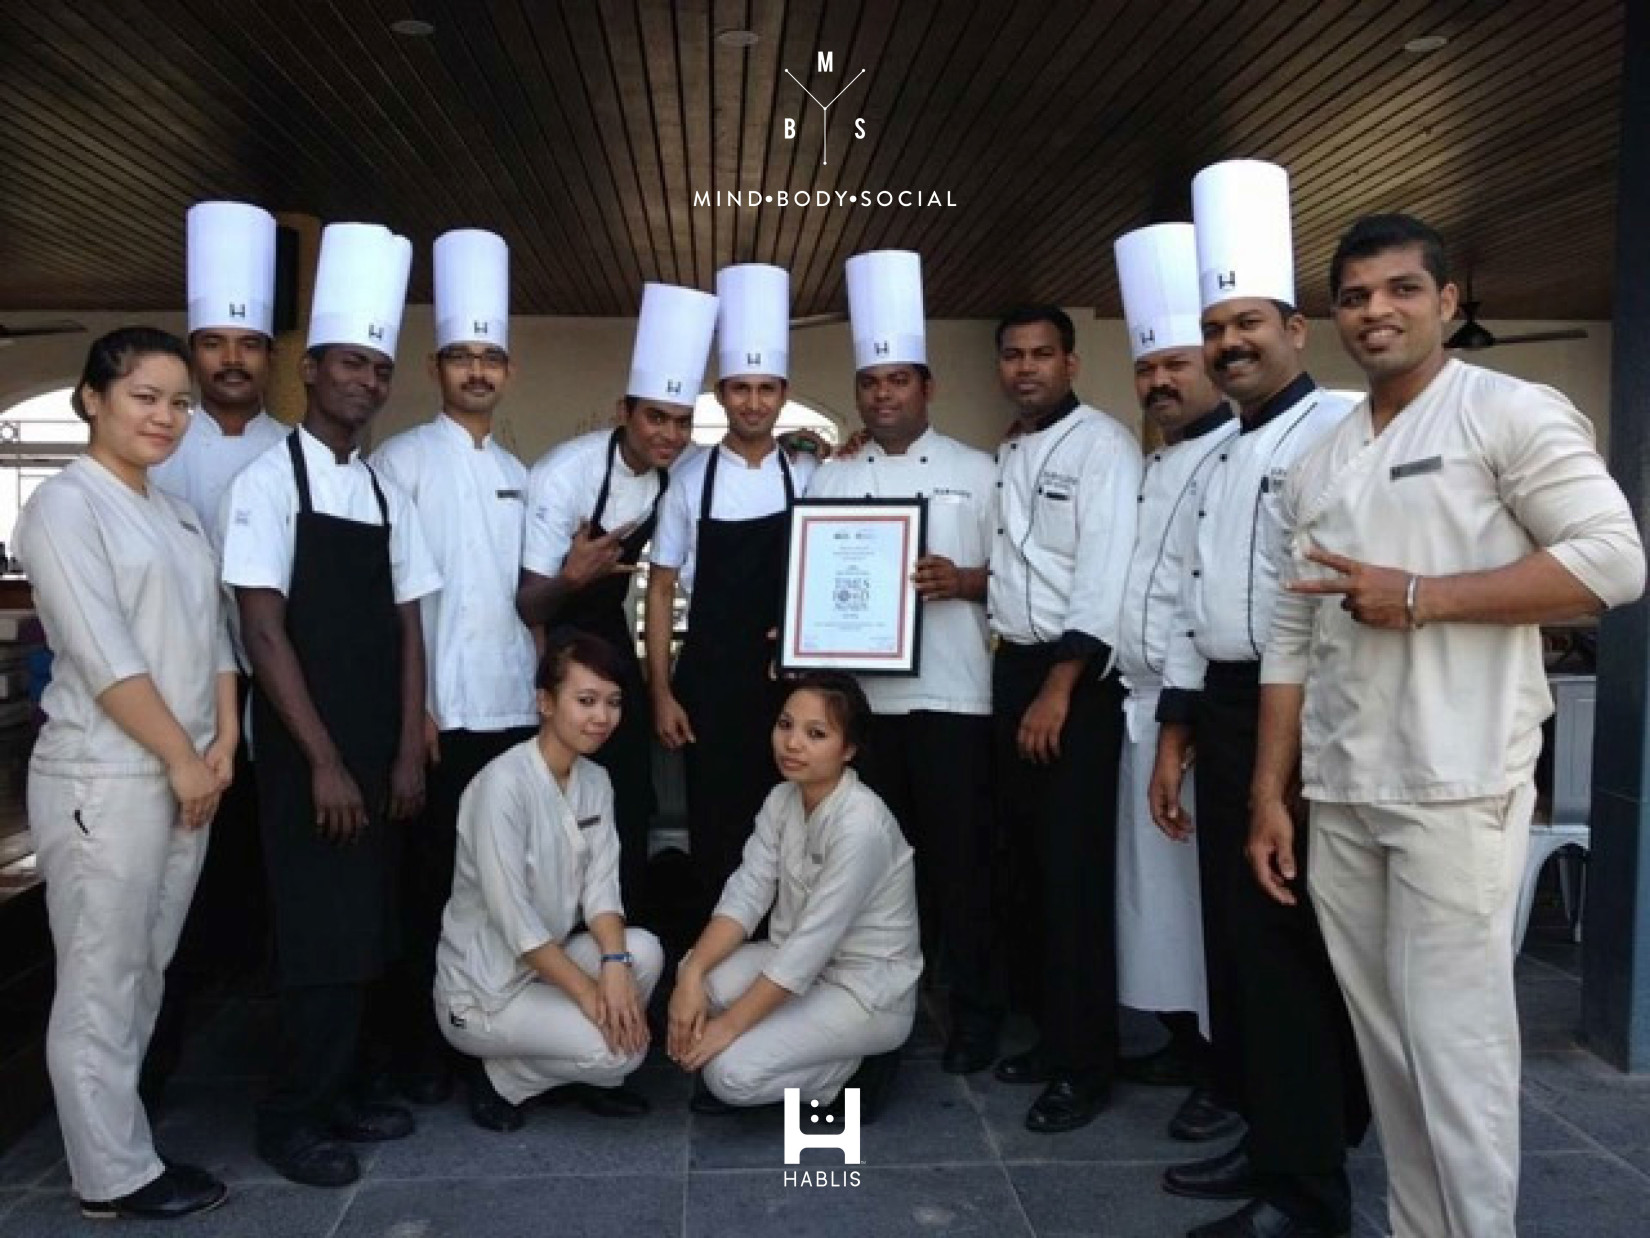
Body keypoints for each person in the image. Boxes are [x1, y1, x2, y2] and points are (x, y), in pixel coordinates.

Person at [1251, 213, 1644, 1238]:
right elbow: (1292, 635)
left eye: (1400, 290)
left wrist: (1424, 593)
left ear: (1447, 302)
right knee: (1388, 1055)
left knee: (1457, 1053)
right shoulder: (1323, 456)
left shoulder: (1507, 412)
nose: (1376, 310)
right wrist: (1269, 793)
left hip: (1458, 783)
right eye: (1354, 295)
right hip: (1341, 790)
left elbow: (1613, 561)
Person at [1150, 160, 1367, 1238]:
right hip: (1229, 707)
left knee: (1286, 947)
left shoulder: (1336, 427)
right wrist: (1180, 728)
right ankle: (1280, 1133)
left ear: (1296, 326)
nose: (1230, 343)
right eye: (1216, 327)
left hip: (1306, 710)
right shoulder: (1227, 450)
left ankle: (1308, 1187)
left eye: (1249, 324)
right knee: (1246, 942)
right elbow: (1200, 601)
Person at [221, 223, 441, 1189]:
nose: (365, 380)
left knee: (368, 930)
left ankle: (343, 1090)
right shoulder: (268, 481)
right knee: (314, 938)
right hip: (310, 752)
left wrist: (402, 750)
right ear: (308, 371)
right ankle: (291, 1116)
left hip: (375, 751)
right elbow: (263, 631)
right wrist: (319, 759)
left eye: (379, 367)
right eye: (349, 361)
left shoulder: (385, 492)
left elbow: (406, 630)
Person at [18, 327, 236, 1219]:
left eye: (179, 401)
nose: (166, 416)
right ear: (91, 399)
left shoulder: (174, 512)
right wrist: (185, 757)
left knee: (148, 967)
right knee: (102, 975)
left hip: (188, 773)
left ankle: (122, 1144)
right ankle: (112, 1175)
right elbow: (102, 653)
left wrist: (220, 746)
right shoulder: (66, 507)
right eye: (144, 396)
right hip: (104, 778)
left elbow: (216, 637)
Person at [808, 249, 1000, 1074]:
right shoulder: (830, 475)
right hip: (861, 713)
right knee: (869, 877)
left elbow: (1018, 580)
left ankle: (978, 1014)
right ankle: (872, 1018)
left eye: (898, 381)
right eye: (870, 383)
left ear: (927, 387)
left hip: (954, 699)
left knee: (961, 868)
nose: (883, 395)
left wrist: (964, 580)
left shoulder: (979, 472)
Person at [370, 229, 538, 1103]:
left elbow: (529, 600)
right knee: (430, 888)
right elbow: (397, 603)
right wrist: (416, 715)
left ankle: (493, 1046)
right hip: (436, 719)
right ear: (436, 367)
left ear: (508, 372)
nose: (478, 371)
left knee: (500, 889)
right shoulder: (397, 463)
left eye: (492, 358)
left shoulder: (517, 471)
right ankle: (420, 1051)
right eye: (462, 356)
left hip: (510, 714)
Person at [144, 200, 287, 1101]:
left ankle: (260, 1068)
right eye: (213, 342)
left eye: (248, 343)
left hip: (274, 712)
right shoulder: (153, 451)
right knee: (165, 909)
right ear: (190, 352)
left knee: (262, 889)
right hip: (169, 708)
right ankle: (150, 1072)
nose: (231, 359)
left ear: (272, 356)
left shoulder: (297, 454)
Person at [987, 305, 1141, 1134]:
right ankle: (1054, 1039)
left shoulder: (1104, 448)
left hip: (1069, 679)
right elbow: (1020, 568)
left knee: (1074, 878)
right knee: (1029, 871)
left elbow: (1101, 575)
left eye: (1042, 354)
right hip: (1014, 666)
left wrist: (1059, 686)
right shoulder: (1012, 449)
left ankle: (1087, 1065)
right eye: (1013, 354)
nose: (1026, 367)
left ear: (1071, 363)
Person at [519, 283, 709, 917]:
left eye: (683, 422)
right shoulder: (564, 474)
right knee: (561, 806)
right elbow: (528, 606)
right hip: (557, 652)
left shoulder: (675, 472)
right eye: (657, 417)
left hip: (613, 652)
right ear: (625, 409)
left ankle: (625, 927)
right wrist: (575, 576)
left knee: (628, 796)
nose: (671, 435)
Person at [435, 629, 663, 1131]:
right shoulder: (502, 785)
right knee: (621, 1054)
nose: (601, 717)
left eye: (613, 702)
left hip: (546, 968)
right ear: (544, 702)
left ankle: (554, 1069)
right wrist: (592, 996)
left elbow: (603, 890)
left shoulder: (595, 780)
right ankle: (499, 1077)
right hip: (485, 989)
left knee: (643, 951)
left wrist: (615, 965)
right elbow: (513, 919)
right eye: (585, 701)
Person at [1110, 224, 1236, 1129]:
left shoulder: (1236, 457)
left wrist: (1179, 729)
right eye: (1149, 366)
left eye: (1178, 364)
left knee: (1208, 907)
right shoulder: (1149, 464)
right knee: (1156, 900)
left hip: (1197, 714)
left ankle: (1228, 1068)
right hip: (1139, 708)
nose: (1161, 382)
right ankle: (1187, 1045)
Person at [667, 672, 920, 1118]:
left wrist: (726, 1029)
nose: (793, 743)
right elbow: (745, 896)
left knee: (728, 1074)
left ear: (849, 749)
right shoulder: (782, 799)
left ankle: (852, 1073)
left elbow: (809, 948)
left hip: (863, 988)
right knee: (695, 973)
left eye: (815, 733)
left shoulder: (861, 825)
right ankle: (800, 1044)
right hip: (797, 965)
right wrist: (690, 976)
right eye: (785, 725)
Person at [648, 266, 818, 915]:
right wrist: (662, 691)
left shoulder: (807, 474)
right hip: (711, 683)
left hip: (790, 683)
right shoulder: (690, 480)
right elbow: (661, 590)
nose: (753, 402)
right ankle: (713, 967)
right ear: (720, 395)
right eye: (740, 389)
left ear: (782, 394)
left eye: (765, 389)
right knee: (717, 828)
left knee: (792, 827)